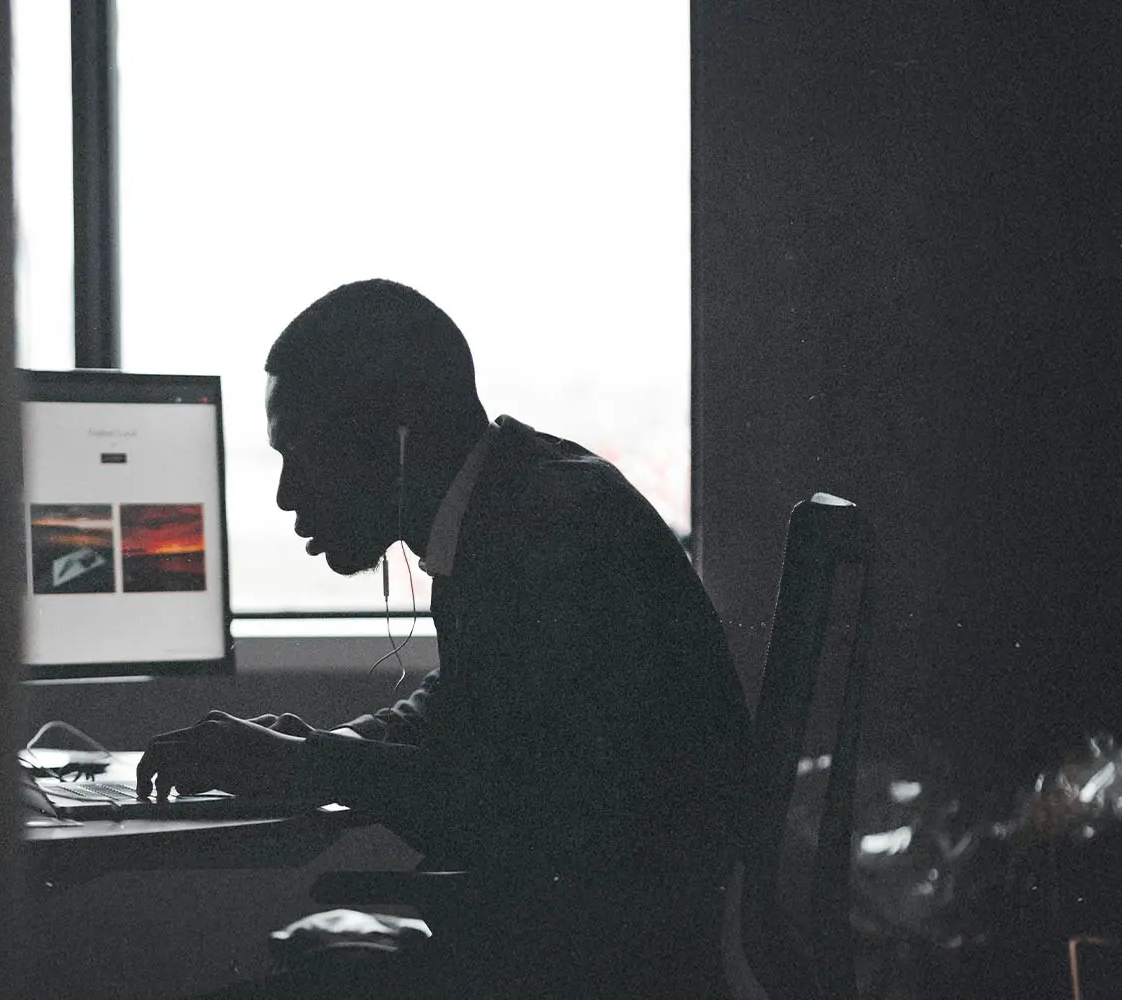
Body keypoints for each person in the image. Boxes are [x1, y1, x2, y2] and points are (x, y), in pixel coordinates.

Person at [138, 279, 751, 999]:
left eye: (302, 451)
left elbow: (530, 803)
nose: (286, 493)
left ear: (395, 437)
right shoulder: (522, 496)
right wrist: (327, 745)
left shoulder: (547, 536)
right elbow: (468, 705)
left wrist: (312, 765)